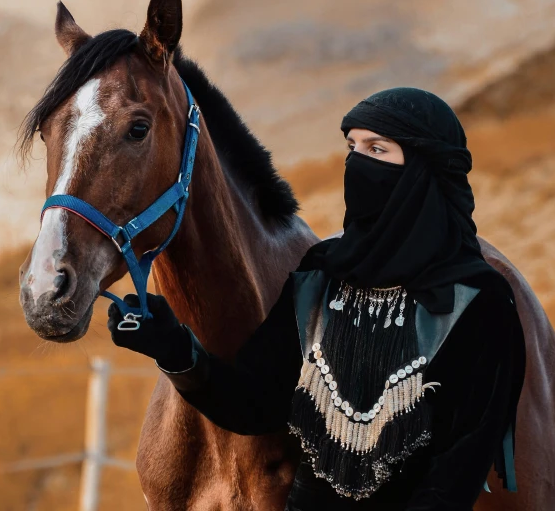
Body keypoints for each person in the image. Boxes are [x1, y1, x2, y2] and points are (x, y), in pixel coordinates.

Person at [107, 87, 527, 510]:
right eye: (352, 146)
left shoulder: (477, 303)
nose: (356, 164)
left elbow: (454, 476)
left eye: (377, 149)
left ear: (423, 168)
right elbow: (254, 404)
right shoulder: (322, 275)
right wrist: (173, 348)